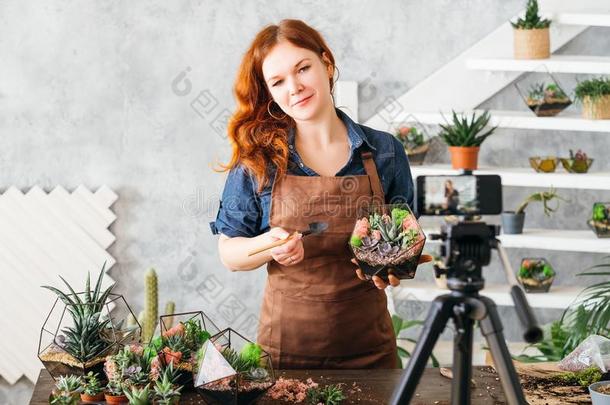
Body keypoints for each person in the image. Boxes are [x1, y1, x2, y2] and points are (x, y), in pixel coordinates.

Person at [210, 19, 431, 370]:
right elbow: (230, 253)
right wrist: (270, 243)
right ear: (269, 93)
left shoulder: (385, 151)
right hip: (285, 356)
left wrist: (397, 265)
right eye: (278, 82)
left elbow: (404, 236)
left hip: (372, 353)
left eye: (303, 69)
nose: (295, 87)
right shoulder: (258, 160)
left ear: (326, 64)